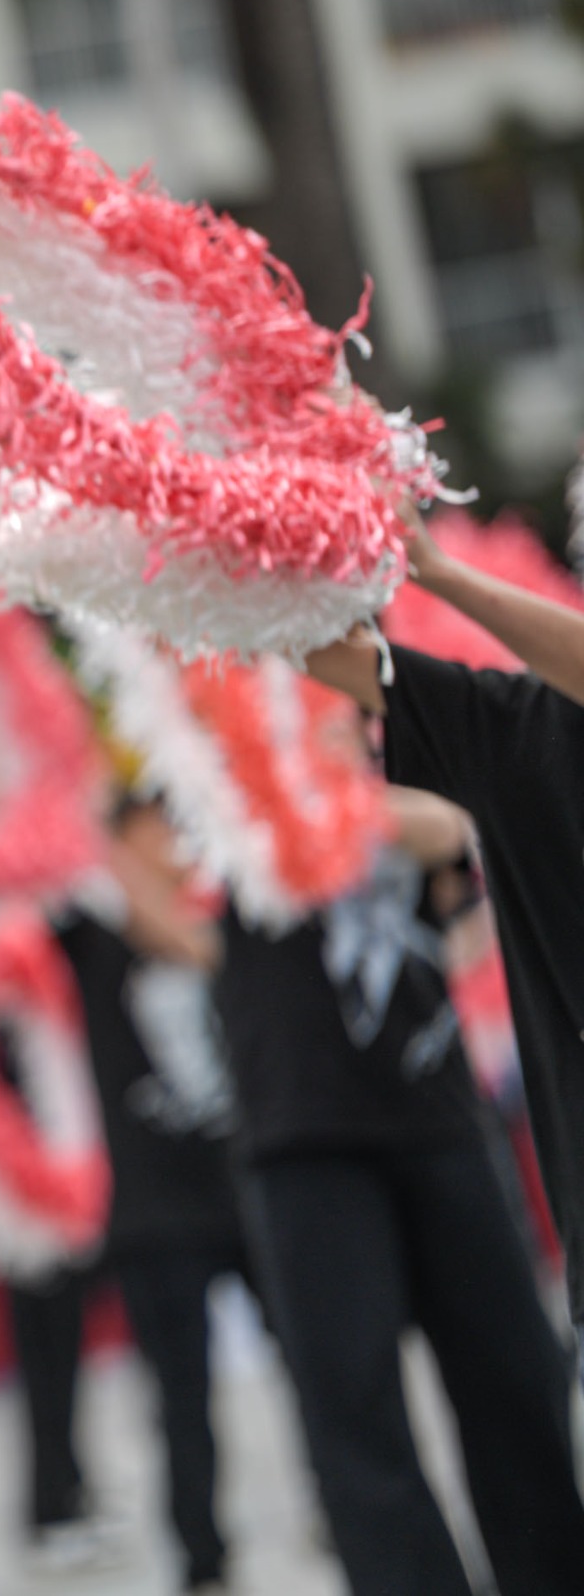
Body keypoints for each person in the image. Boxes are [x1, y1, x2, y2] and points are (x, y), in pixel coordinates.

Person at [211, 782, 584, 1596]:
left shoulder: (381, 711)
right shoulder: (189, 740)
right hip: (300, 1133)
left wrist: (341, 800)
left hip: (439, 1111)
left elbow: (456, 826)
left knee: (520, 1381)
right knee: (356, 1412)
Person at [308, 525, 584, 1355]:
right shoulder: (512, 728)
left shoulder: (510, 726)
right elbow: (328, 656)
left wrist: (431, 568)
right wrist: (283, 525)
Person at [54, 798, 249, 1594]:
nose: (169, 845)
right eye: (148, 832)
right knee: (181, 1401)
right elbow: (59, 861)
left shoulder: (228, 908)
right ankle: (203, 1560)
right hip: (153, 1210)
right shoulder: (92, 931)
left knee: (324, 1371)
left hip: (245, 1183)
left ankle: (334, 1513)